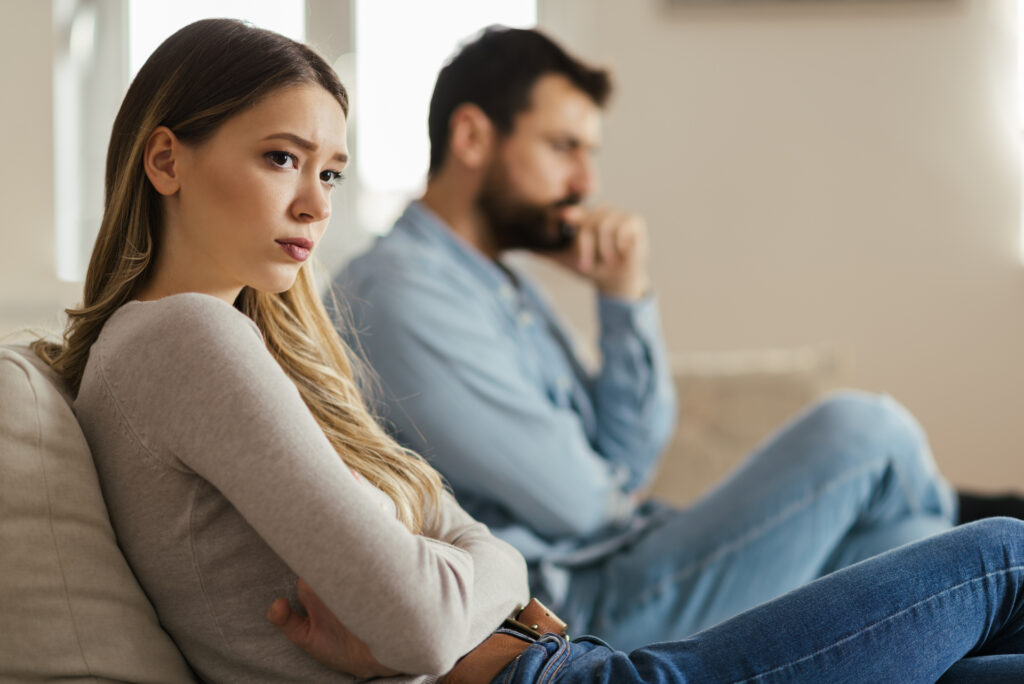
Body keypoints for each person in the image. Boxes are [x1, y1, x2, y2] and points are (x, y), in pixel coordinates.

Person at [37, 17, 1024, 684]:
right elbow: (430, 612)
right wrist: (497, 571)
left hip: (555, 659)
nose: (314, 203)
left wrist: (456, 573)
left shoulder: (206, 339)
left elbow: (443, 577)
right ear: (164, 158)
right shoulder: (189, 335)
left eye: (330, 171)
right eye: (279, 158)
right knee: (1001, 554)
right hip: (560, 666)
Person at [336, 25, 1024, 648]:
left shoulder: (505, 286)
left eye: (590, 153)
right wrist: (616, 482)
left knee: (911, 544)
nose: (588, 182)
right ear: (473, 138)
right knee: (864, 428)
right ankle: (994, 514)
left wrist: (622, 297)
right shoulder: (397, 292)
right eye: (563, 147)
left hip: (636, 558)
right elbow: (584, 504)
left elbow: (631, 459)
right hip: (586, 603)